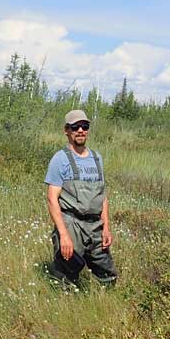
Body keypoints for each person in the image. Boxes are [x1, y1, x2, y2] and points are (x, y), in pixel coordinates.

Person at [45, 109, 117, 286]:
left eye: (84, 126)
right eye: (75, 127)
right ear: (66, 130)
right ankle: (64, 305)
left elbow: (103, 196)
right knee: (67, 273)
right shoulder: (60, 159)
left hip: (95, 226)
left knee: (108, 274)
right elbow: (52, 199)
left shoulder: (96, 158)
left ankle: (105, 305)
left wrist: (106, 227)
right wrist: (64, 235)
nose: (80, 130)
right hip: (72, 224)